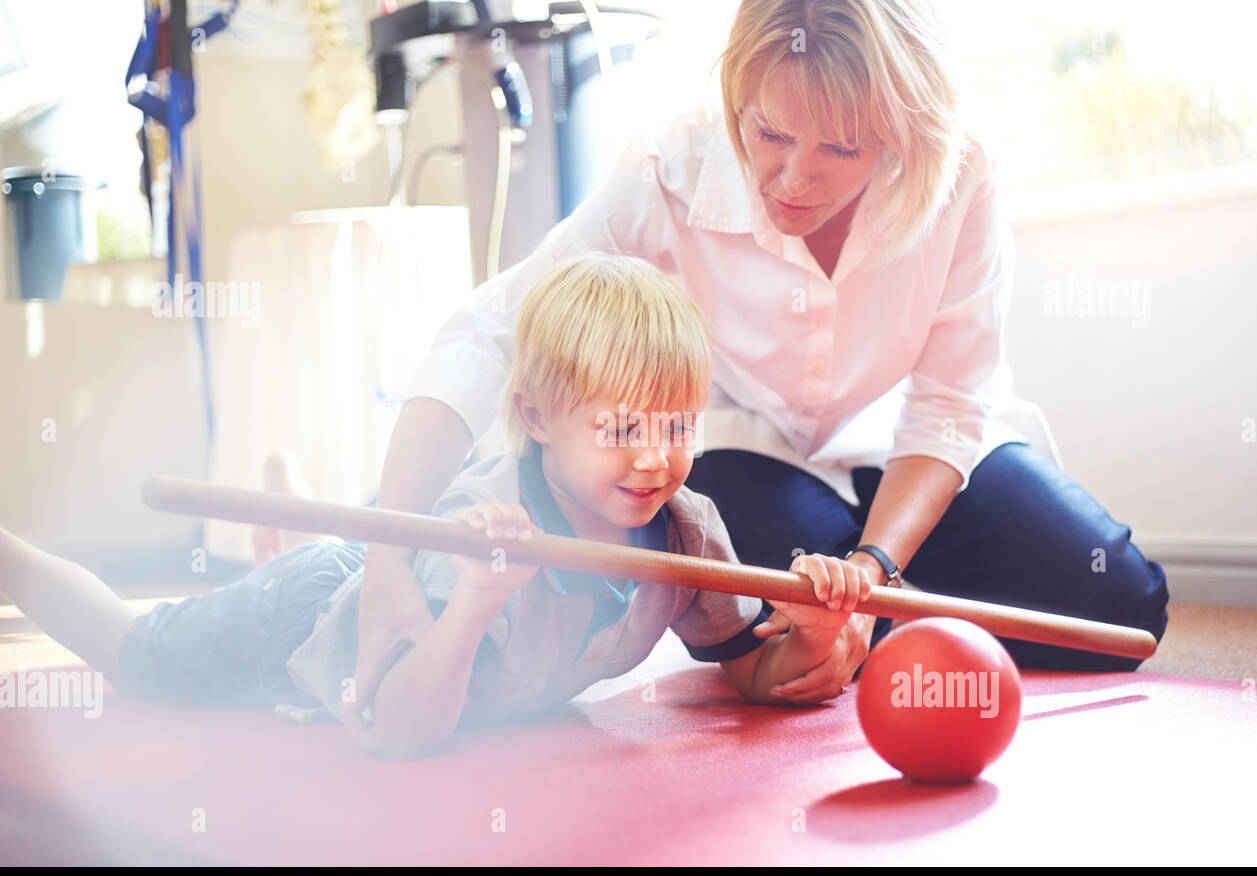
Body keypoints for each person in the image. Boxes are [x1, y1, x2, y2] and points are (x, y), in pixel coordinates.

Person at [342, 0, 1169, 724]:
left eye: (844, 148)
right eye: (769, 131)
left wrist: (869, 571)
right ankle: (865, 611)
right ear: (738, 89)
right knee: (786, 614)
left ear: (900, 129)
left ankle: (880, 606)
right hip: (750, 455)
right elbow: (489, 331)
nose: (794, 178)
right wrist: (388, 558)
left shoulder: (961, 172)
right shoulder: (671, 163)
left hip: (909, 448)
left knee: (1119, 602)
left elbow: (949, 405)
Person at [0, 255, 873, 761]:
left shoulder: (687, 527)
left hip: (374, 569)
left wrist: (818, 630)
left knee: (333, 556)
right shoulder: (475, 523)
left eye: (679, 424)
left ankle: (299, 519)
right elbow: (402, 736)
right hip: (310, 620)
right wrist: (475, 604)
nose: (656, 455)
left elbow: (745, 673)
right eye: (620, 428)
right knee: (133, 653)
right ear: (534, 417)